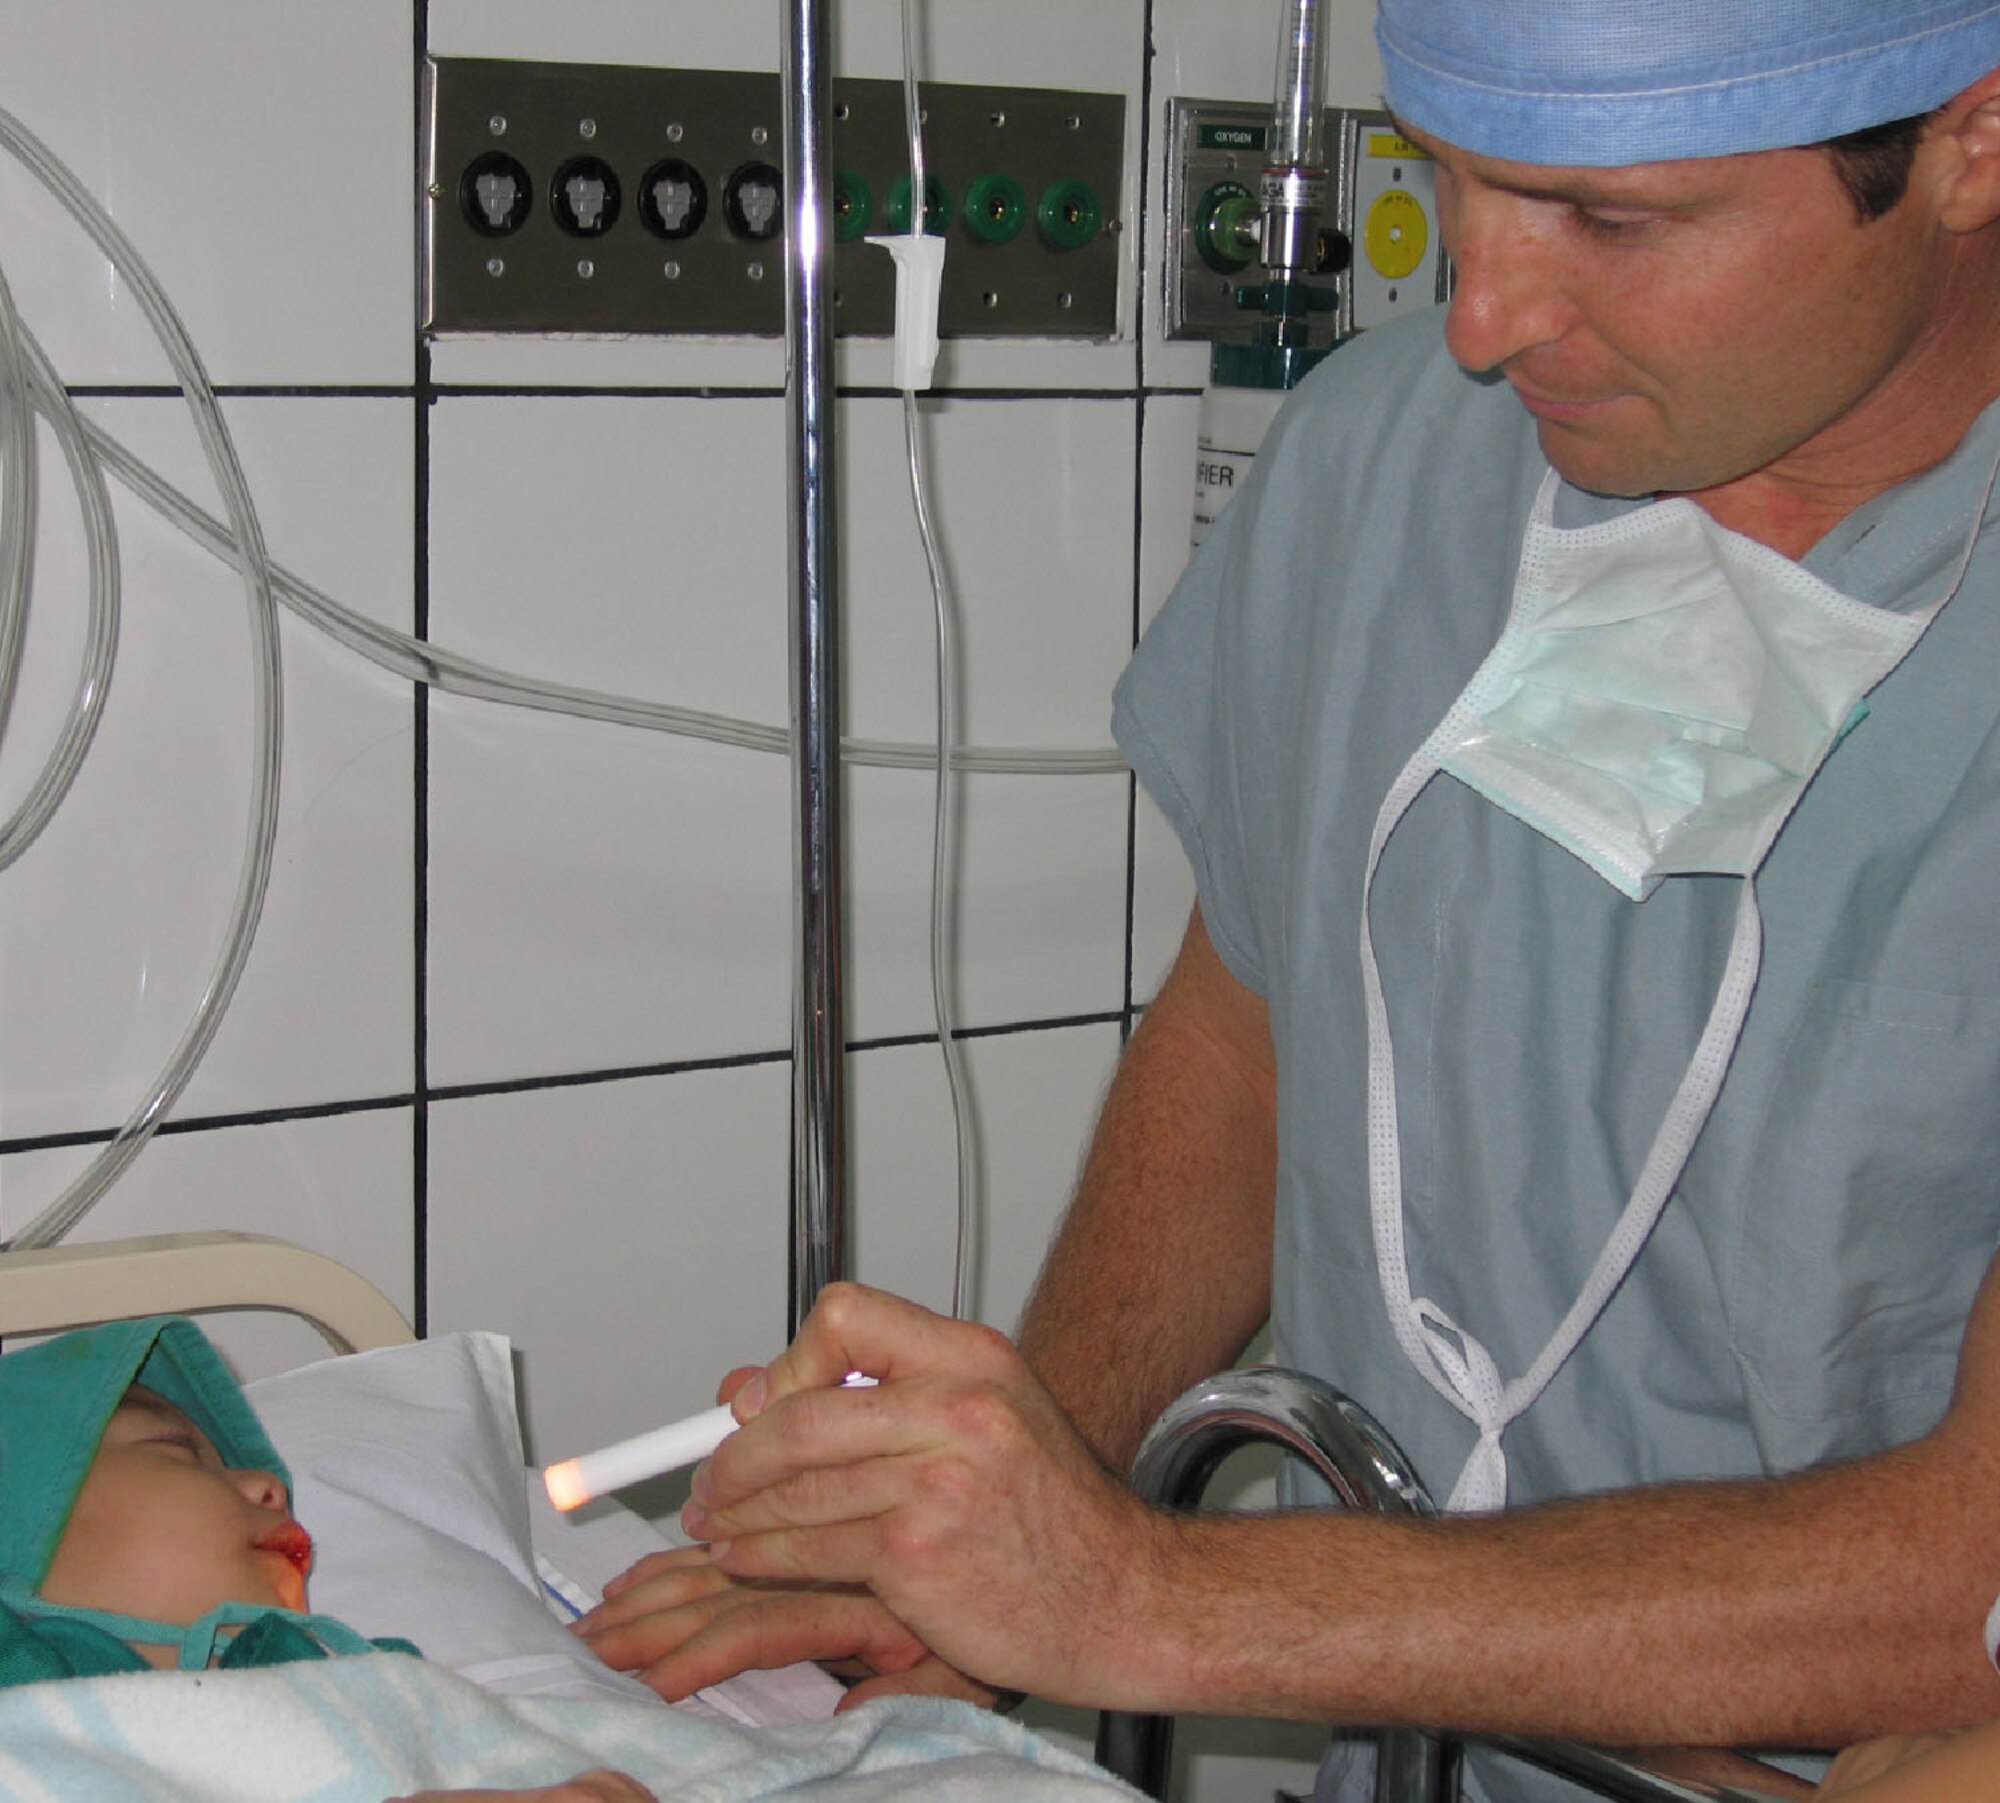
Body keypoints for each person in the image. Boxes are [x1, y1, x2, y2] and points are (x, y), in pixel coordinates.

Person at [574, 3, 2000, 1799]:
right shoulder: (1391, 461)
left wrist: (1148, 1595)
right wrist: (1019, 1530)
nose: (1482, 319)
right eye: (1452, 183)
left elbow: (1979, 1572)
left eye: (1611, 221)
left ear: (1970, 140)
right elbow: (1253, 1028)